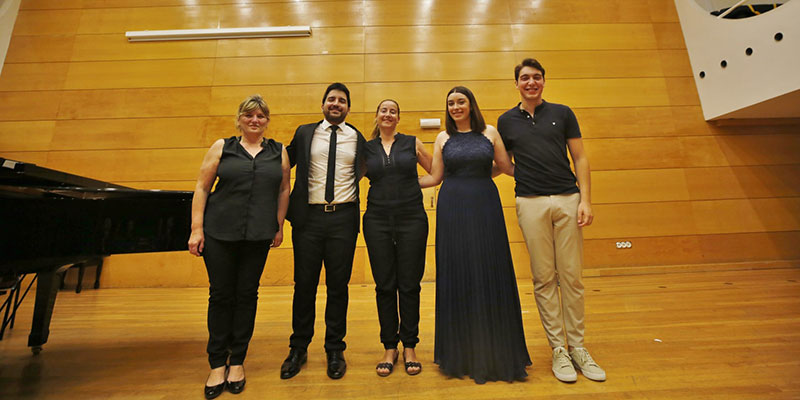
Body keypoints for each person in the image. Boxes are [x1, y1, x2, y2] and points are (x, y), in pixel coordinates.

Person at [497, 58, 606, 383]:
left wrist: (585, 200)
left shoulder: (563, 113)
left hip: (567, 199)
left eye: (537, 77)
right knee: (544, 278)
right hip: (529, 203)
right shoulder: (505, 121)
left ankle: (578, 347)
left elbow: (581, 158)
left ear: (543, 81)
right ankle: (558, 349)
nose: (531, 82)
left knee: (571, 277)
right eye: (525, 78)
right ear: (516, 83)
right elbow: (503, 163)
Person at [418, 86, 531, 384]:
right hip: (452, 205)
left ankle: (495, 351)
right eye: (451, 103)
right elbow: (435, 177)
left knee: (488, 267)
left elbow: (506, 167)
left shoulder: (490, 132)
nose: (456, 107)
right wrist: (397, 182)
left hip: (484, 204)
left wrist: (543, 173)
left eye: (461, 102)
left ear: (471, 105)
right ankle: (461, 353)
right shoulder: (442, 137)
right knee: (459, 271)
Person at [188, 94, 291, 399]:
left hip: (258, 233)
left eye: (260, 116)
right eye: (249, 116)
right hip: (219, 232)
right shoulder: (222, 147)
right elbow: (202, 186)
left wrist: (279, 224)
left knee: (246, 295)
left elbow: (284, 188)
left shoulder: (278, 151)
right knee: (221, 295)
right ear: (240, 119)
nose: (255, 120)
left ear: (267, 121)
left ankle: (237, 361)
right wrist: (196, 228)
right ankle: (217, 362)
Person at [280, 82, 366, 381]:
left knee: (338, 286)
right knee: (303, 285)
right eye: (331, 99)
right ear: (322, 104)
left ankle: (334, 348)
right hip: (309, 220)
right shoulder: (305, 132)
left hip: (343, 219)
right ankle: (298, 348)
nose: (336, 104)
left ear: (348, 108)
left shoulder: (357, 137)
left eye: (342, 101)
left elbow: (373, 168)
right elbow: (281, 162)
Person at [363, 99, 432, 377]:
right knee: (384, 284)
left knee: (409, 284)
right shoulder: (366, 148)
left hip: (412, 219)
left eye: (393, 110)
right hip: (377, 220)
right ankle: (389, 346)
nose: (388, 114)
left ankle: (410, 346)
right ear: (377, 116)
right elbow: (351, 177)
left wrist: (409, 185)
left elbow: (436, 173)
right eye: (384, 110)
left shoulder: (413, 142)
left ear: (398, 117)